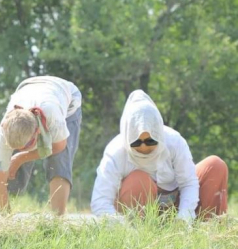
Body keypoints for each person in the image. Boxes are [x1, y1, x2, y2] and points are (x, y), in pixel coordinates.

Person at [91, 90, 228, 222]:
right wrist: (122, 228)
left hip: (177, 207)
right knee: (138, 180)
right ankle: (140, 233)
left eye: (150, 141)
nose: (144, 147)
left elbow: (188, 183)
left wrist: (184, 218)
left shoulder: (174, 142)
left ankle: (206, 228)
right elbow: (100, 201)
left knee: (215, 165)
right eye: (136, 142)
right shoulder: (116, 151)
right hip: (137, 218)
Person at [0, 76, 82, 215]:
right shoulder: (4, 131)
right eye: (16, 147)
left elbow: (59, 146)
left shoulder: (53, 115)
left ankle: (57, 221)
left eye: (25, 146)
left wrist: (21, 158)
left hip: (66, 98)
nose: (20, 150)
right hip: (28, 87)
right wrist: (5, 219)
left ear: (38, 132)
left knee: (58, 161)